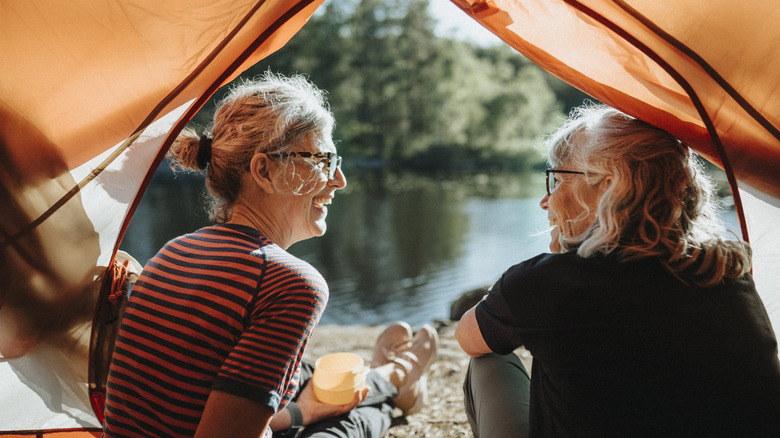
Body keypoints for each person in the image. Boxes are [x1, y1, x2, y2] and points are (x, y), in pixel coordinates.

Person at [102, 72, 437, 438]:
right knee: (348, 422)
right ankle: (395, 389)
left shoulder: (173, 250)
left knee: (304, 374)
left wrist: (297, 411)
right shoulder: (290, 283)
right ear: (265, 170)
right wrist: (303, 414)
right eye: (323, 160)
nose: (340, 180)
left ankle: (390, 375)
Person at [454, 104, 780, 437]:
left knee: (489, 359)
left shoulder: (550, 284)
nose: (545, 201)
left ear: (609, 187)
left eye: (556, 179)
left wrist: (550, 269)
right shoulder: (727, 273)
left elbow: (467, 337)